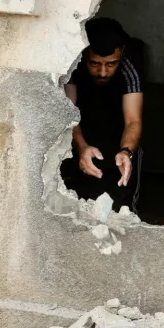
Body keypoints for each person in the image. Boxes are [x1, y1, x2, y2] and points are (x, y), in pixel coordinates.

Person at [61, 18, 143, 211]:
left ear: (121, 52)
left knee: (123, 210)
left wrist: (126, 152)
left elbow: (133, 121)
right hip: (81, 133)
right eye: (95, 63)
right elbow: (68, 115)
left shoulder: (130, 68)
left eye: (111, 64)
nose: (104, 72)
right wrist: (81, 147)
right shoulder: (72, 66)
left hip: (120, 137)